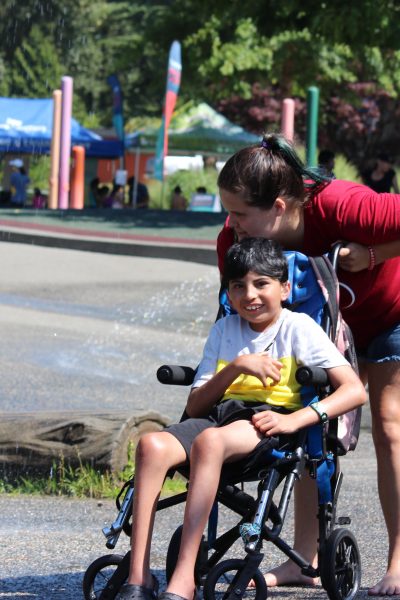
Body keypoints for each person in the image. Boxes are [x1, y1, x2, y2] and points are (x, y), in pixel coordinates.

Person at [116, 237, 366, 600]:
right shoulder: (224, 330)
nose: (249, 294)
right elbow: (198, 406)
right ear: (228, 294)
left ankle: (183, 577)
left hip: (270, 422)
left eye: (261, 283)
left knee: (209, 441)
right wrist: (235, 367)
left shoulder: (299, 328)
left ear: (283, 288)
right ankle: (138, 578)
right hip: (218, 416)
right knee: (152, 444)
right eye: (238, 286)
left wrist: (297, 420)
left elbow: (354, 390)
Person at [216, 133, 400, 596]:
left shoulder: (341, 206)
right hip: (319, 331)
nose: (230, 225)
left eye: (239, 214)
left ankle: (399, 559)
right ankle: (306, 558)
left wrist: (378, 254)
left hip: (388, 313)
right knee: (302, 427)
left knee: (389, 423)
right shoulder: (234, 240)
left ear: (278, 207)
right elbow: (232, 311)